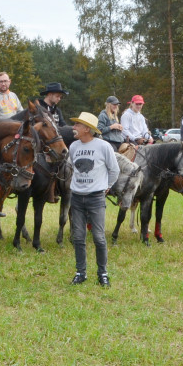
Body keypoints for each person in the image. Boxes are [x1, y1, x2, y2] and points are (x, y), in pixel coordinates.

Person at [67, 112, 121, 287]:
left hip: (96, 198)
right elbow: (70, 167)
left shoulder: (103, 146)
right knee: (79, 237)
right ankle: (80, 272)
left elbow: (114, 170)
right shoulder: (74, 146)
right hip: (76, 198)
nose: (74, 128)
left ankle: (102, 273)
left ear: (87, 129)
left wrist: (107, 186)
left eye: (77, 125)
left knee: (98, 237)